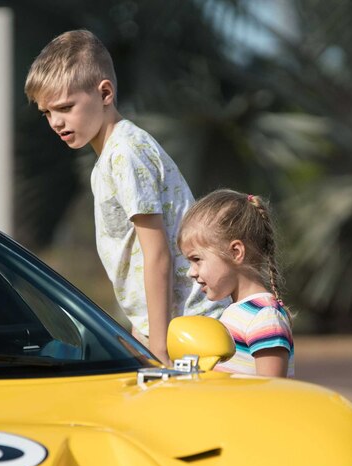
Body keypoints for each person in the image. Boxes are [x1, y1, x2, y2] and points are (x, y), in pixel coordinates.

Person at [24, 29, 224, 365]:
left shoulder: (125, 153)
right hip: (167, 326)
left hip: (189, 329)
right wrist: (141, 327)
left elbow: (156, 252)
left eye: (65, 107)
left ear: (105, 93)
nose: (56, 122)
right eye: (47, 113)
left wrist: (158, 345)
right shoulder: (110, 157)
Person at [177, 189, 294, 377]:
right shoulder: (238, 312)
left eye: (197, 259)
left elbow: (272, 394)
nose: (191, 272)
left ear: (236, 252)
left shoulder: (264, 317)